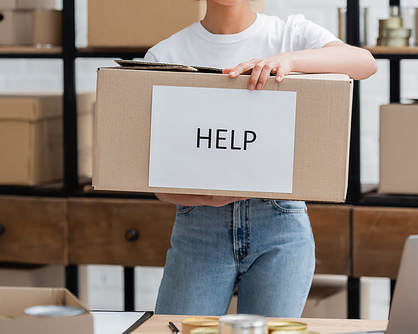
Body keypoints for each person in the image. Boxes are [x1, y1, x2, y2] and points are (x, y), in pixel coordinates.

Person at [144, 0, 377, 317]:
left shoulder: (289, 34)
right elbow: (158, 178)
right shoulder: (165, 55)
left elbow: (363, 62)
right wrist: (206, 197)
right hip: (198, 230)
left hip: (280, 225)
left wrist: (288, 60)